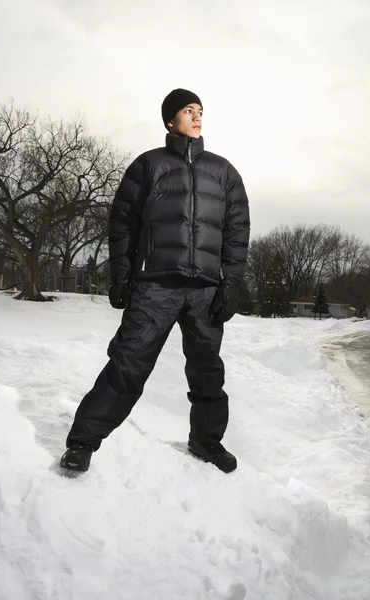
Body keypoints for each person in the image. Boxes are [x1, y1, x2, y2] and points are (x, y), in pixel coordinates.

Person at [60, 88, 250, 474]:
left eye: (200, 111)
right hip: (155, 286)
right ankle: (82, 442)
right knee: (127, 364)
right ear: (170, 120)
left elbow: (236, 232)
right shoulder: (148, 166)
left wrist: (229, 283)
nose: (197, 117)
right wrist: (123, 276)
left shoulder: (223, 171)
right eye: (188, 110)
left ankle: (206, 441)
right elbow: (123, 224)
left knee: (207, 372)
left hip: (205, 291)